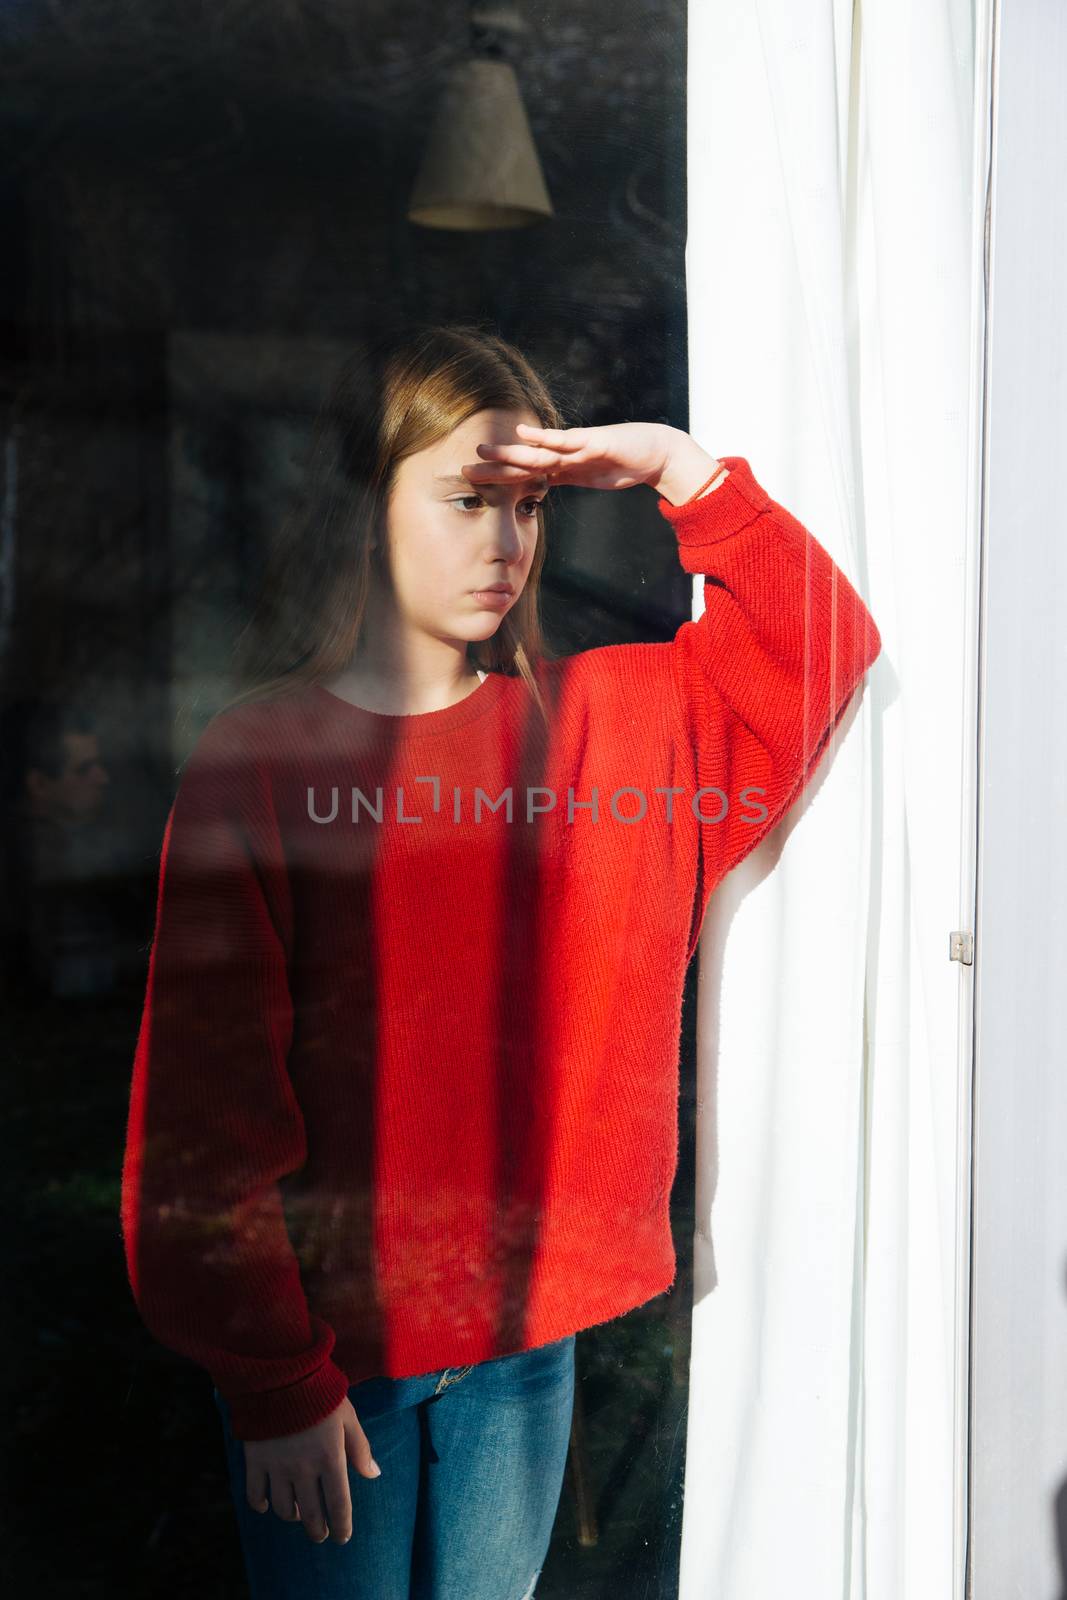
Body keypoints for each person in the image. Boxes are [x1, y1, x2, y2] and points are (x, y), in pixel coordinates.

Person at [120, 322, 882, 1598]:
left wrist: (681, 473)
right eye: (466, 497)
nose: (504, 542)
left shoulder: (603, 729)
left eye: (526, 506)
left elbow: (816, 652)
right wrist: (271, 1378)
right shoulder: (263, 762)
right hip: (330, 1355)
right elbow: (203, 1117)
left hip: (524, 1343)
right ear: (367, 508)